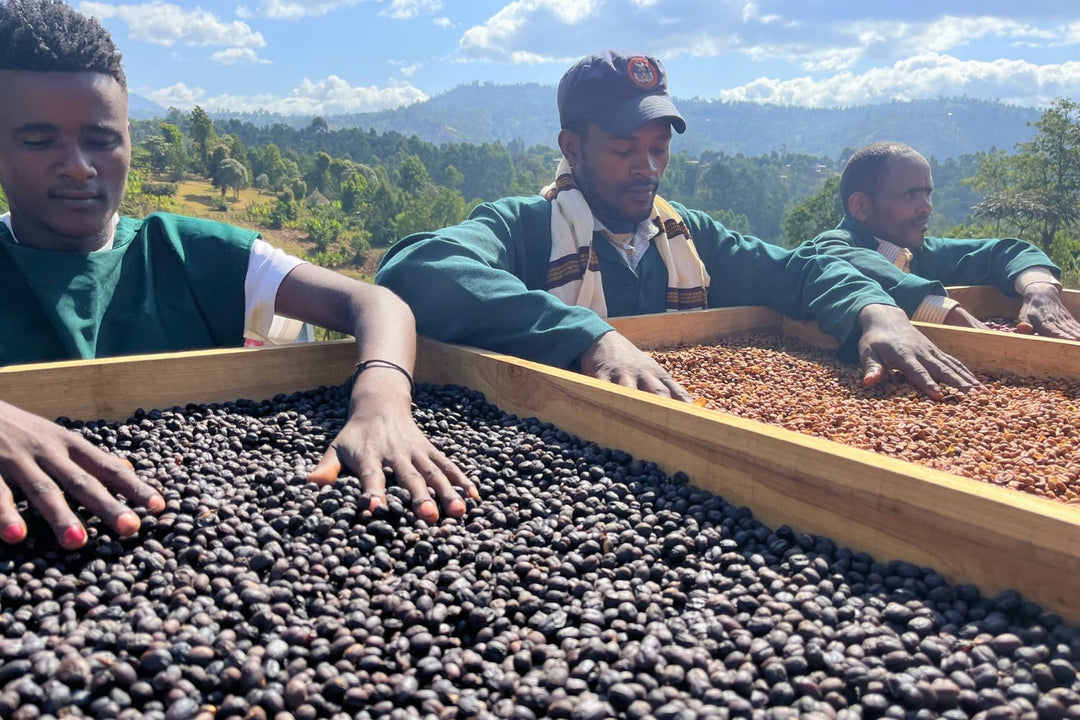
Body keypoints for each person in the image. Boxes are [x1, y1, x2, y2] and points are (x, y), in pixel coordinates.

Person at [0, 0, 476, 551]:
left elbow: (376, 304)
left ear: (129, 139)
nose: (79, 165)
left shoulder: (189, 253)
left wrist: (382, 401)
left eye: (102, 139)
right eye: (38, 140)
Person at [377, 50, 981, 406]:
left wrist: (873, 311)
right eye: (623, 149)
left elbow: (800, 269)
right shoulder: (528, 226)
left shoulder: (686, 236)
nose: (646, 169)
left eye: (658, 148)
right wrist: (589, 336)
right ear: (572, 147)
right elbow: (415, 269)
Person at [808, 141, 1080, 339]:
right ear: (861, 207)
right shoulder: (834, 246)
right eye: (911, 195)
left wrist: (1040, 290)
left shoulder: (918, 253)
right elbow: (841, 262)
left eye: (927, 194)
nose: (926, 207)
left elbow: (1005, 251)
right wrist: (947, 313)